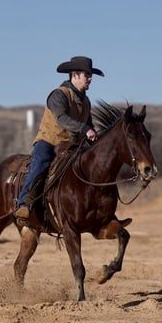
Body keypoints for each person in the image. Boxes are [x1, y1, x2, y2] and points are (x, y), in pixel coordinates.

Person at [14, 56, 104, 219]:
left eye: (91, 76)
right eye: (87, 75)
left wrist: (93, 134)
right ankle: (23, 203)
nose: (90, 79)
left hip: (72, 146)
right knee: (40, 165)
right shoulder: (58, 95)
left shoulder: (86, 101)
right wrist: (85, 129)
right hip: (50, 142)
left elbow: (89, 124)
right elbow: (61, 119)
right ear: (74, 75)